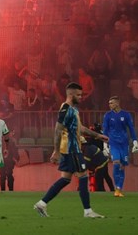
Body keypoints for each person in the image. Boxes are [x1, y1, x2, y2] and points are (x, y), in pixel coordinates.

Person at [33, 82, 108, 218]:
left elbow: (81, 128)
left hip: (71, 148)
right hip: (71, 149)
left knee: (65, 179)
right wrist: (55, 150)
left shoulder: (74, 110)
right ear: (71, 95)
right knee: (84, 176)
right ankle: (88, 211)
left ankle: (42, 203)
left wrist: (98, 135)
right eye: (79, 95)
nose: (81, 97)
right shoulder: (66, 109)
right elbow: (58, 129)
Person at [102, 96, 138, 197]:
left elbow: (131, 128)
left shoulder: (126, 115)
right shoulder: (108, 115)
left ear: (117, 103)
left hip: (124, 144)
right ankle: (116, 188)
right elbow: (105, 131)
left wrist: (135, 141)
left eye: (111, 103)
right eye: (109, 103)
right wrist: (105, 145)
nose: (110, 105)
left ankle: (119, 189)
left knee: (122, 166)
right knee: (116, 164)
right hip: (113, 143)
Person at [85, 123, 114, 192]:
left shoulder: (92, 138)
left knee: (99, 177)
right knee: (106, 176)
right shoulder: (101, 135)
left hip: (97, 158)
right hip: (99, 156)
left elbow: (87, 162)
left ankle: (101, 190)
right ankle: (112, 189)